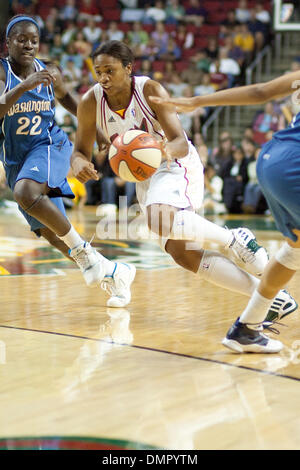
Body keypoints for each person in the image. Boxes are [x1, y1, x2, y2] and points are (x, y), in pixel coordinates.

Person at [70, 40, 296, 327]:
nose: (102, 78)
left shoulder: (150, 90)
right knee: (183, 255)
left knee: (158, 219)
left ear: (128, 68)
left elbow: (178, 140)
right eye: (98, 71)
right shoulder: (91, 102)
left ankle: (234, 239)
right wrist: (79, 163)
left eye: (109, 70)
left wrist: (162, 150)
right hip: (146, 178)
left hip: (175, 164)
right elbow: (80, 151)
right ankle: (268, 298)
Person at [149, 66, 300, 353]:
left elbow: (261, 91)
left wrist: (197, 101)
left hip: (272, 159)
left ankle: (246, 328)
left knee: (294, 250)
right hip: (295, 164)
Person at [0, 15, 135, 307]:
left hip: (50, 144)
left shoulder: (50, 72)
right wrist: (25, 86)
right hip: (16, 158)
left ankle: (88, 255)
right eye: (21, 39)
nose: (28, 45)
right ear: (8, 42)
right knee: (55, 236)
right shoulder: (1, 74)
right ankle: (115, 273)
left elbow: (71, 100)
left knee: (25, 193)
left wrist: (98, 132)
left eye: (33, 39)